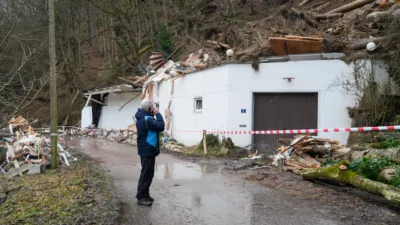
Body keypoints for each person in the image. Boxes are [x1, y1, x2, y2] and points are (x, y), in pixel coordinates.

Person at [135, 100, 165, 206]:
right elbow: (161, 126)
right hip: (147, 150)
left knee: (149, 174)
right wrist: (158, 114)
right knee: (146, 174)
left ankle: (145, 194)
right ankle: (141, 196)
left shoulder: (143, 117)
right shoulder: (147, 119)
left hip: (147, 149)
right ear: (149, 109)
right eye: (152, 107)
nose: (154, 108)